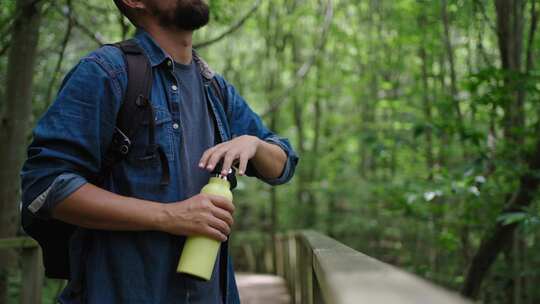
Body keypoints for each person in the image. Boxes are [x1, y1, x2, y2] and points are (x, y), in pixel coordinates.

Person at [20, 0, 298, 303]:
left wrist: (254, 143)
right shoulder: (106, 73)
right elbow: (46, 186)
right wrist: (168, 216)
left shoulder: (215, 89)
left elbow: (283, 165)